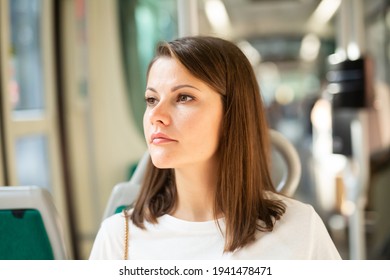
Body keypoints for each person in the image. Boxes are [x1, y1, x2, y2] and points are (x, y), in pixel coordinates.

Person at [89, 36, 341, 260]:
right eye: (151, 99)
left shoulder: (300, 229)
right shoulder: (117, 239)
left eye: (184, 97)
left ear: (232, 114)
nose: (156, 115)